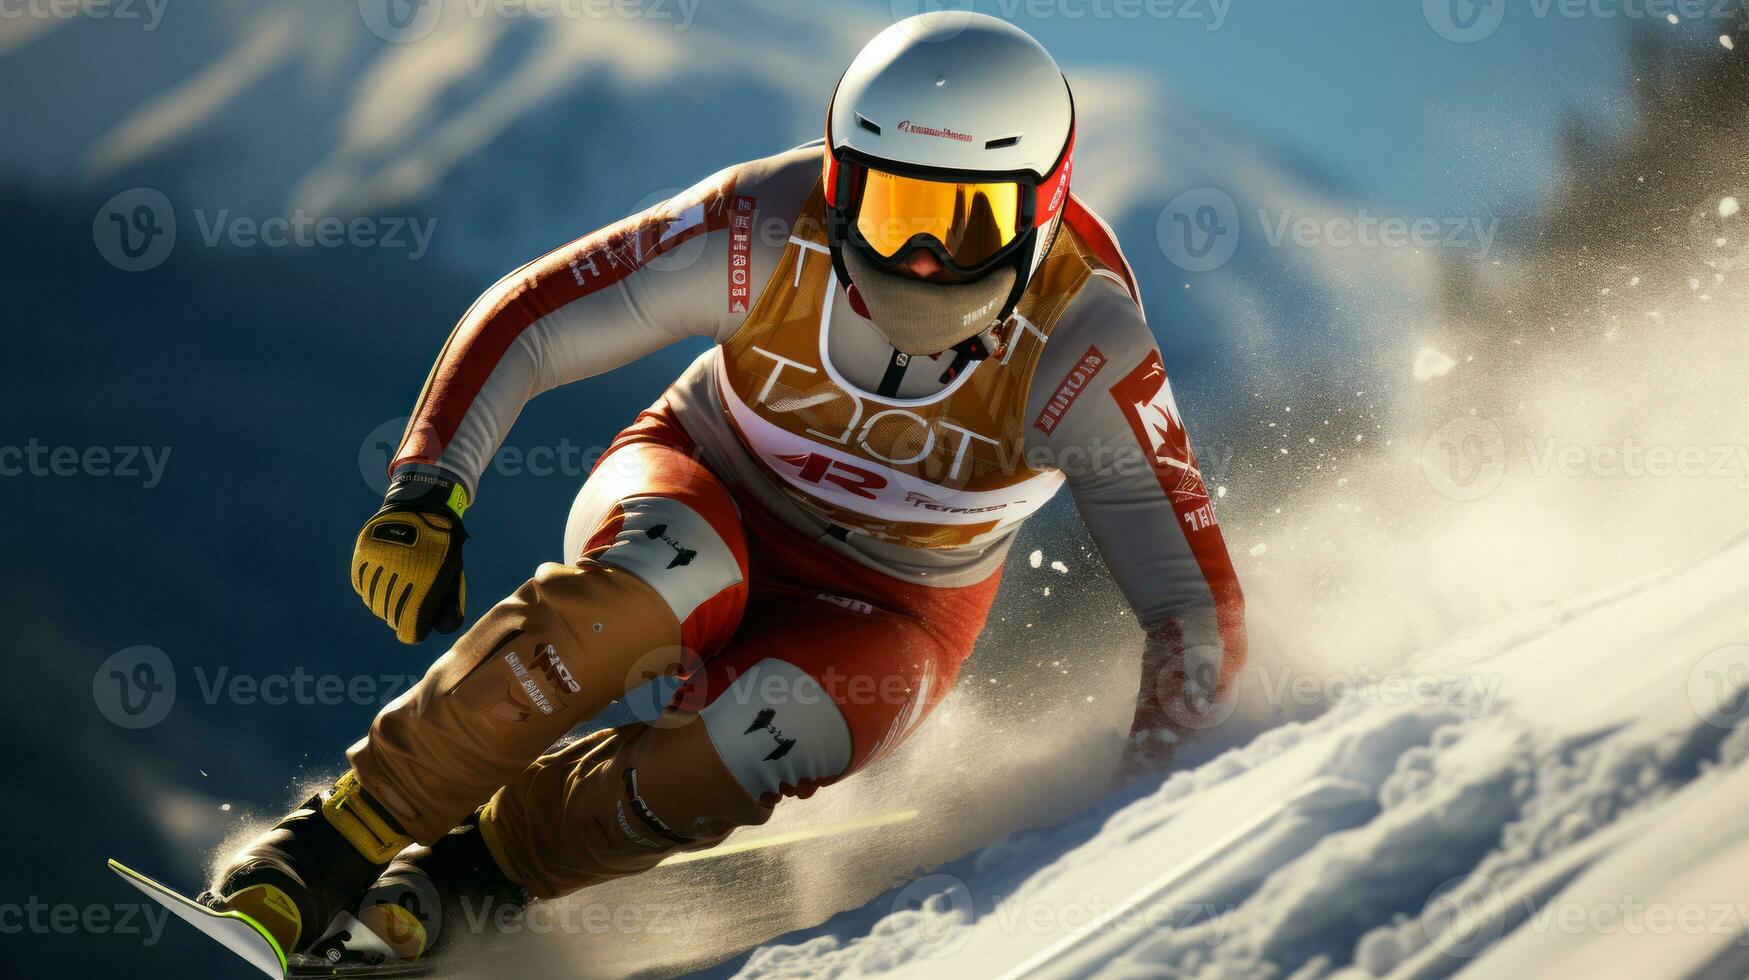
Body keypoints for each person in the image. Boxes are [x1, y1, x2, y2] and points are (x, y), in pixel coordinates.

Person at [205, 11, 1246, 962]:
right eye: (889, 213)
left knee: (768, 727)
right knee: (664, 578)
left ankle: (467, 879)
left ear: (1045, 208)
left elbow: (1193, 611)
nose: (922, 261)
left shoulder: (1085, 345)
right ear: (837, 185)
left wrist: (1135, 819)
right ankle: (332, 843)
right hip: (703, 482)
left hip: (897, 607)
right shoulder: (762, 228)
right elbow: (537, 312)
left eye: (968, 225)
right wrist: (430, 486)